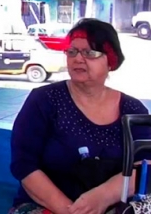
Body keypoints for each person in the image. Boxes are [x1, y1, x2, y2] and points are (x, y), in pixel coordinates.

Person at [9, 18, 150, 214]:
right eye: (72, 51)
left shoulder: (133, 110)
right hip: (46, 206)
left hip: (113, 207)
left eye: (90, 53)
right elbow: (24, 164)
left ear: (111, 61)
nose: (78, 59)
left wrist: (103, 197)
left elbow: (145, 166)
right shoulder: (44, 100)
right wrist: (70, 211)